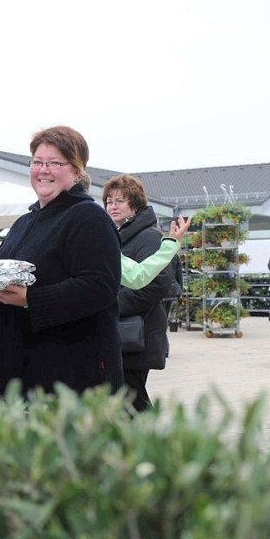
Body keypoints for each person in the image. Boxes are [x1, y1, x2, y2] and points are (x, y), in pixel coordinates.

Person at [0, 126, 122, 398]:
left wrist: (31, 298)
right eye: (38, 162)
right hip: (18, 376)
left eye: (56, 163)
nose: (44, 170)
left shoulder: (89, 218)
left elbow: (100, 286)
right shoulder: (25, 221)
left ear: (77, 171)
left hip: (66, 379)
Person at [103, 174, 172, 412]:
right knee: (128, 397)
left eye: (119, 201)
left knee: (132, 399)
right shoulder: (117, 235)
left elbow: (156, 283)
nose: (113, 206)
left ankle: (149, 445)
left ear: (135, 204)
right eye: (109, 201)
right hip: (122, 331)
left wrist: (110, 305)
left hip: (138, 332)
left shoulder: (148, 236)